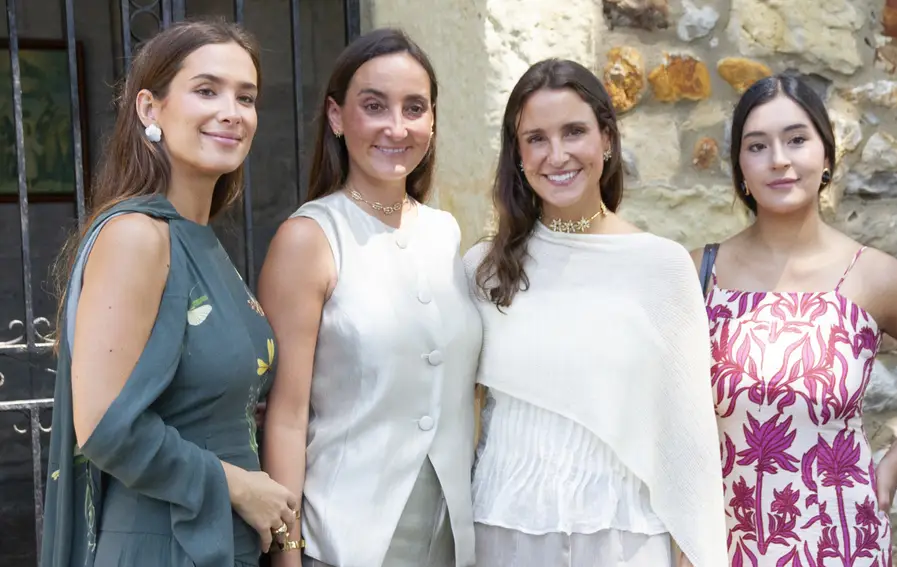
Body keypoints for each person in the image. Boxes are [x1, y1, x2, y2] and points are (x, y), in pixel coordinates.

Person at [694, 73, 897, 565]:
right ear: (740, 170)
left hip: (843, 543)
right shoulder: (697, 274)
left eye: (796, 139)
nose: (779, 159)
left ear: (827, 156)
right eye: (757, 146)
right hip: (726, 544)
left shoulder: (871, 276)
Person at [41, 19, 298, 567]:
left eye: (246, 97)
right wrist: (238, 485)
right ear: (149, 109)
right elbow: (106, 428)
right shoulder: (137, 235)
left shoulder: (199, 239)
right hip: (159, 543)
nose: (232, 111)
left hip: (218, 544)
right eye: (207, 90)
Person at [464, 58, 727, 567]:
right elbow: (460, 416)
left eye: (574, 132)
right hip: (505, 528)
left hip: (625, 533)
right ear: (516, 154)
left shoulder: (661, 266)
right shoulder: (482, 270)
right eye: (536, 138)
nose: (556, 154)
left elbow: (688, 434)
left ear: (606, 140)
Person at [256, 28, 481, 567]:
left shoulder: (446, 232)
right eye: (374, 106)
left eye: (414, 108)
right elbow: (286, 416)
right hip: (343, 540)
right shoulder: (308, 238)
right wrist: (287, 555)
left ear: (433, 119)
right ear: (337, 117)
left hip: (453, 537)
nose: (396, 127)